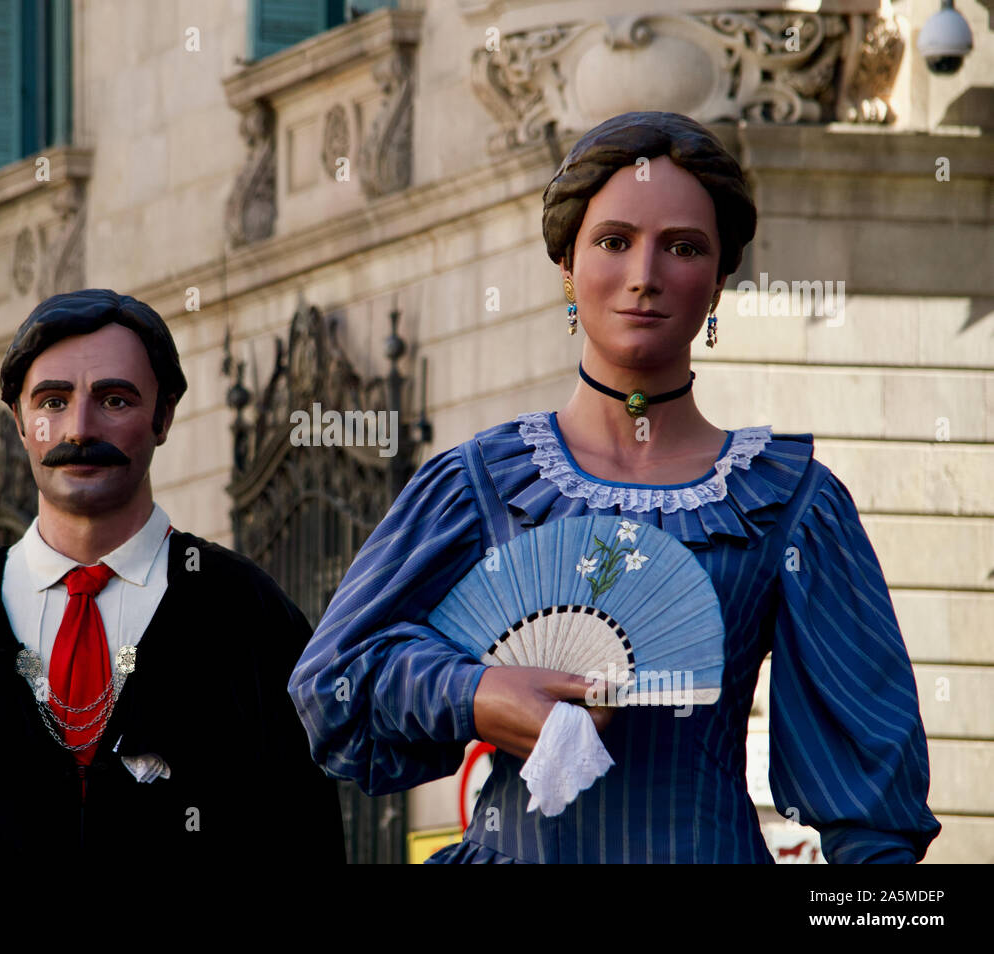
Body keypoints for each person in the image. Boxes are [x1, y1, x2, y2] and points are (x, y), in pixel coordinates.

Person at [288, 111, 941, 863]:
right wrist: (474, 693)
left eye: (684, 247)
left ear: (722, 277)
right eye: (614, 241)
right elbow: (331, 682)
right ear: (568, 267)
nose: (644, 275)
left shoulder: (793, 505)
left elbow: (872, 806)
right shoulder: (477, 484)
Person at [0, 289, 344, 862]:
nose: (78, 428)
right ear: (19, 421)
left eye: (115, 400)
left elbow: (309, 839)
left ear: (164, 415)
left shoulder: (248, 617)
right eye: (52, 401)